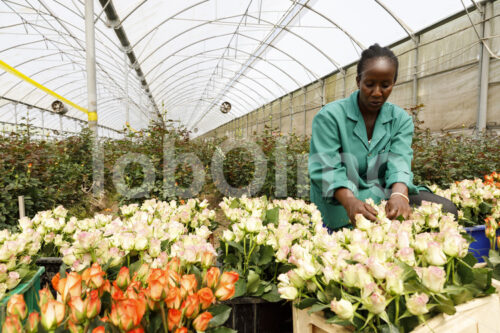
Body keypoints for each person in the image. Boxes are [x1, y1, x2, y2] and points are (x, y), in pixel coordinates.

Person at [309, 43, 457, 231]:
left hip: (383, 193)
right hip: (340, 198)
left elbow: (400, 160)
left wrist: (399, 195)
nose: (377, 92)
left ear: (393, 84)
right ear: (358, 81)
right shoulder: (330, 117)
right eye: (369, 84)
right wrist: (350, 202)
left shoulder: (400, 119)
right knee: (360, 231)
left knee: (447, 211)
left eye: (385, 85)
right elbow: (326, 168)